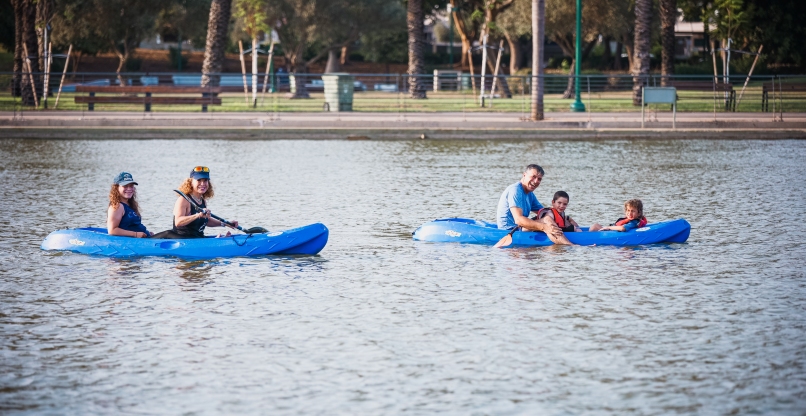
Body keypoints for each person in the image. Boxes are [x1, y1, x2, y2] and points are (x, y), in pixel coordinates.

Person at [150, 166, 238, 239]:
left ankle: (219, 240)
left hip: (197, 238)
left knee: (221, 237)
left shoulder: (202, 200)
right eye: (199, 180)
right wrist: (197, 215)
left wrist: (225, 224)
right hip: (182, 239)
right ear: (191, 182)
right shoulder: (184, 199)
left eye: (205, 180)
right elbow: (178, 222)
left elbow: (205, 221)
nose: (202, 184)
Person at [496, 164, 573, 245]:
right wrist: (545, 227)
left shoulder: (529, 194)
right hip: (510, 230)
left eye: (539, 179)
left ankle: (578, 233)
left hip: (521, 228)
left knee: (550, 217)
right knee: (547, 220)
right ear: (524, 175)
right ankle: (570, 245)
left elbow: (545, 212)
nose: (536, 181)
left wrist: (566, 218)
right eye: (533, 176)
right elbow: (518, 220)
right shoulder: (515, 191)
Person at [107, 172, 151, 238]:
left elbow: (133, 226)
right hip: (133, 242)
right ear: (116, 188)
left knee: (169, 234)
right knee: (168, 233)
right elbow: (112, 230)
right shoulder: (117, 206)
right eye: (125, 186)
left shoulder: (130, 204)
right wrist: (135, 234)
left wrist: (147, 233)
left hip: (145, 239)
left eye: (131, 186)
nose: (129, 189)